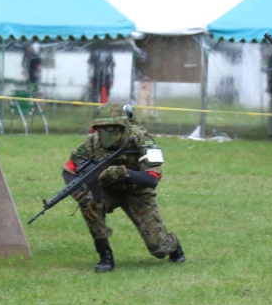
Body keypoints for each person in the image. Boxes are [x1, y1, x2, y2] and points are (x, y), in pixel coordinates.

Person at [63, 103, 185, 273]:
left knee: (159, 249)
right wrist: (79, 194)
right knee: (88, 203)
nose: (104, 132)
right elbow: (69, 169)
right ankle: (105, 255)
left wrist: (124, 172)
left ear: (121, 126)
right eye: (100, 128)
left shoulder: (142, 140)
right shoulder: (92, 143)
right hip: (107, 190)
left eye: (109, 128)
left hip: (137, 192)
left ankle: (173, 246)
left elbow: (152, 179)